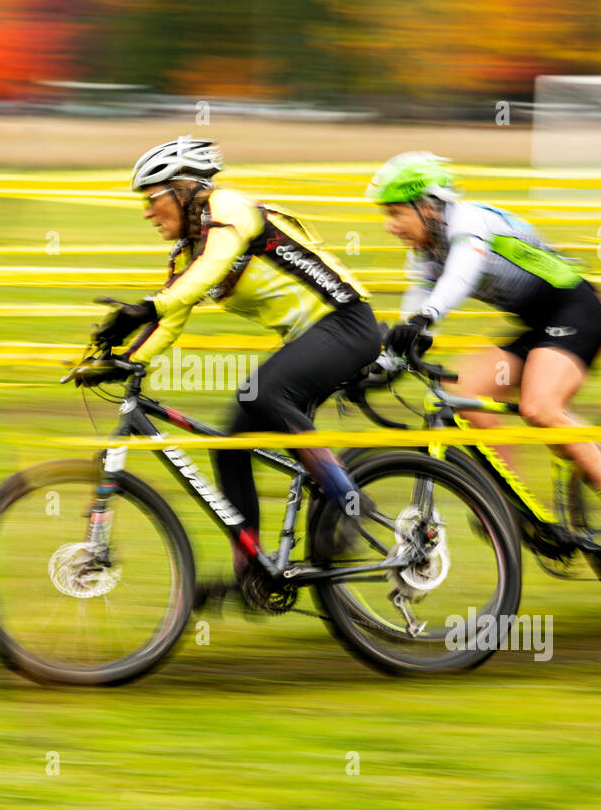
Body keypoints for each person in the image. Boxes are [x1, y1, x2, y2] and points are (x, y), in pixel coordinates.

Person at [87, 136, 381, 605]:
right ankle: (255, 572)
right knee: (229, 442)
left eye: (152, 198)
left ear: (183, 190)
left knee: (262, 393)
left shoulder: (231, 208)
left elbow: (210, 269)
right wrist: (119, 361)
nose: (147, 211)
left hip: (347, 323)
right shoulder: (188, 251)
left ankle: (351, 503)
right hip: (311, 339)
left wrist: (144, 307)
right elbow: (171, 319)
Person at [366, 151, 601, 560]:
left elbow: (460, 275)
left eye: (395, 213)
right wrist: (387, 361)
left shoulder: (470, 224)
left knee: (539, 407)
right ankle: (516, 507)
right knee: (463, 392)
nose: (390, 226)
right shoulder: (425, 251)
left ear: (427, 206)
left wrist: (427, 317)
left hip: (577, 309)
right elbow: (415, 305)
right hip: (537, 326)